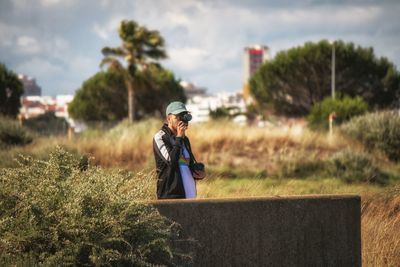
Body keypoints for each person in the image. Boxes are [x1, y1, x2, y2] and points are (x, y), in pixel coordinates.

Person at [153, 101, 205, 199]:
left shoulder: (185, 139)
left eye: (184, 116)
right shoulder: (160, 137)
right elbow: (171, 161)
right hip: (170, 197)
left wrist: (198, 173)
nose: (181, 120)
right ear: (168, 118)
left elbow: (184, 165)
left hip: (189, 196)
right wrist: (179, 137)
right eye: (177, 117)